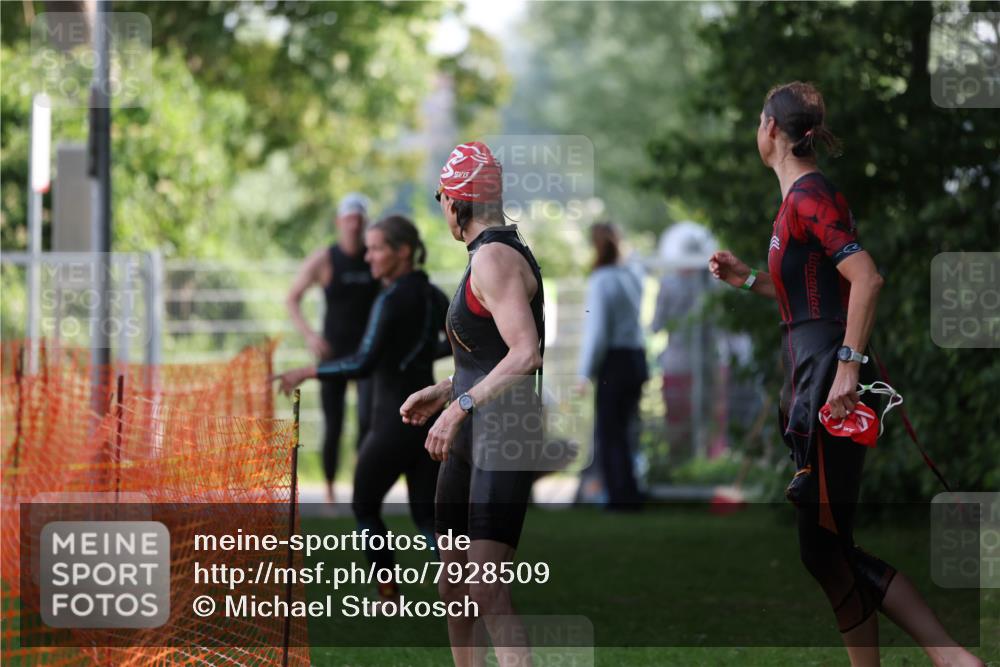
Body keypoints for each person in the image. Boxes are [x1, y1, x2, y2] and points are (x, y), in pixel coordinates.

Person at [708, 81, 982, 667]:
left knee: (825, 548)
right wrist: (749, 280)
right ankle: (950, 659)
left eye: (759, 121)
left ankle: (953, 658)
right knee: (828, 550)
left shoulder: (810, 197)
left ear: (773, 131)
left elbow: (867, 279)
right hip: (810, 387)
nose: (757, 130)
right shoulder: (795, 204)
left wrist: (846, 373)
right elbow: (814, 301)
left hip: (828, 391)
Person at [400, 142, 544, 667]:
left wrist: (458, 406)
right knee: (454, 587)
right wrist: (444, 391)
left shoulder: (494, 257)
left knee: (486, 590)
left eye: (441, 195)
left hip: (502, 435)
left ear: (458, 200)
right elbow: (491, 354)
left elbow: (527, 353)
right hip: (474, 436)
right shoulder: (485, 254)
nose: (440, 206)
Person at [275, 215, 450, 598]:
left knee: (364, 506)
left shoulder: (389, 298)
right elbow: (455, 343)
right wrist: (415, 357)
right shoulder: (434, 295)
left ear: (402, 252)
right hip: (430, 419)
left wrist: (309, 370)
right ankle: (466, 588)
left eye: (376, 249)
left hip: (394, 419)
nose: (368, 257)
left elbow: (362, 363)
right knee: (426, 517)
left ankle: (389, 593)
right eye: (367, 248)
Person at [286, 193, 380, 504]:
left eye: (359, 219)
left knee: (367, 420)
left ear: (365, 223)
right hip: (333, 352)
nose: (354, 225)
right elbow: (292, 298)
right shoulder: (325, 259)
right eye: (348, 218)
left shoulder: (375, 256)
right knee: (334, 422)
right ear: (339, 222)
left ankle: (362, 483)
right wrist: (310, 336)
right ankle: (328, 489)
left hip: (368, 354)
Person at [577, 222, 648, 510]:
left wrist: (584, 372)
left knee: (610, 433)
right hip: (636, 358)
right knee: (627, 430)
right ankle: (630, 492)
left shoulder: (601, 279)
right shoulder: (632, 275)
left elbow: (597, 331)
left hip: (615, 363)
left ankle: (620, 499)